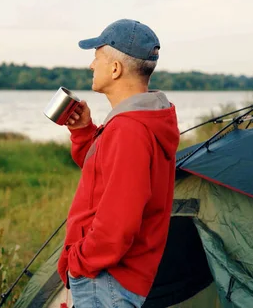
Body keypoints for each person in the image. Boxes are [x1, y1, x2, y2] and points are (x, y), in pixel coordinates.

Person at [56, 19, 180, 308]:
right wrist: (85, 131)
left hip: (105, 279)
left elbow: (118, 225)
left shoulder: (130, 130)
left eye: (96, 56)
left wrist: (78, 261)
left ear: (115, 68)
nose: (91, 65)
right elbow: (104, 175)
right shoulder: (141, 121)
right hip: (110, 278)